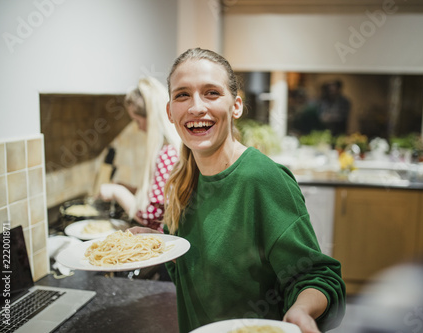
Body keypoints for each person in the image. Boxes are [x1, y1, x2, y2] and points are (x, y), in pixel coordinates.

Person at [132, 48, 346, 333]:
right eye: (183, 94)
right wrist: (160, 245)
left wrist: (301, 310)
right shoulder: (181, 180)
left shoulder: (263, 179)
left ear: (236, 106)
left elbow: (317, 277)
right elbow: (195, 270)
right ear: (170, 112)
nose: (196, 107)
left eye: (211, 93)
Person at [100, 77, 181, 232]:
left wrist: (117, 192)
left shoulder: (168, 154)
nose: (139, 128)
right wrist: (128, 189)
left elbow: (151, 216)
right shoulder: (173, 149)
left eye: (137, 121)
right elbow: (161, 197)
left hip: (166, 242)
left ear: (151, 119)